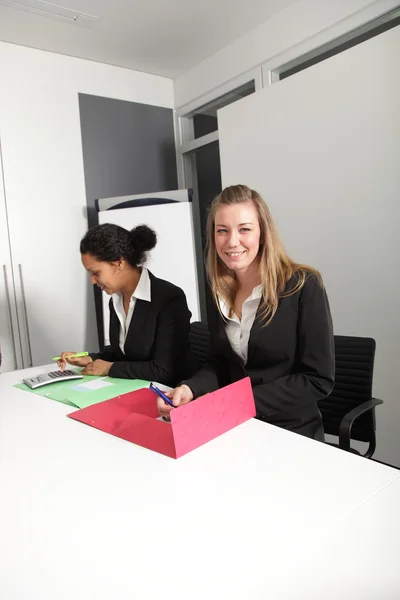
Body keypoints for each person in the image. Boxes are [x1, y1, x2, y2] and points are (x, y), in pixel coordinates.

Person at [158, 185, 334, 441]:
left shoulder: (303, 285)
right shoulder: (219, 289)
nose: (232, 241)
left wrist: (234, 402)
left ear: (263, 234)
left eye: (244, 229)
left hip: (291, 432)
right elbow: (220, 362)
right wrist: (190, 388)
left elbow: (317, 379)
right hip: (235, 427)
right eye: (222, 231)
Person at [58, 223, 194, 386]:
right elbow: (124, 353)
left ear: (118, 263)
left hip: (167, 395)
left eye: (96, 273)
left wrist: (109, 368)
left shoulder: (170, 298)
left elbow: (163, 370)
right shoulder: (115, 300)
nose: (92, 281)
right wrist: (91, 358)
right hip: (131, 389)